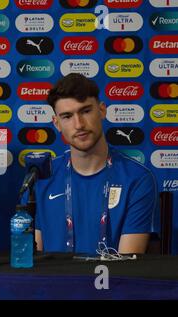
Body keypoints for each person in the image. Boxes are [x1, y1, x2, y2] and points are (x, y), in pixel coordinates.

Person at [31, 73, 157, 255]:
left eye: (85, 111)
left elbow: (128, 267)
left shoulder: (137, 179)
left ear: (102, 110)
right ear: (57, 123)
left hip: (110, 282)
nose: (79, 124)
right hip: (53, 282)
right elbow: (33, 258)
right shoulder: (42, 175)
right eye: (67, 116)